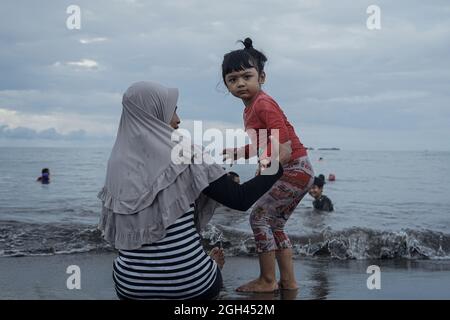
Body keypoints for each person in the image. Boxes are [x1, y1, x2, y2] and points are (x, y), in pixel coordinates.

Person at [97, 81, 293, 300]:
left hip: (130, 287)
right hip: (189, 285)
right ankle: (210, 265)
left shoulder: (116, 162)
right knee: (206, 270)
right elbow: (240, 199)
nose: (177, 120)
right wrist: (276, 165)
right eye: (173, 110)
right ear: (155, 113)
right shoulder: (184, 153)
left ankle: (202, 264)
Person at [221, 38, 314, 292]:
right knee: (275, 223)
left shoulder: (263, 103)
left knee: (258, 217)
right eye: (232, 79)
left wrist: (266, 171)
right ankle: (289, 282)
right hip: (299, 170)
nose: (240, 83)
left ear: (262, 77)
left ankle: (267, 280)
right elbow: (264, 143)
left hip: (293, 168)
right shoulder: (250, 108)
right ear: (226, 84)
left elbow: (283, 148)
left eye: (246, 76)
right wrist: (239, 153)